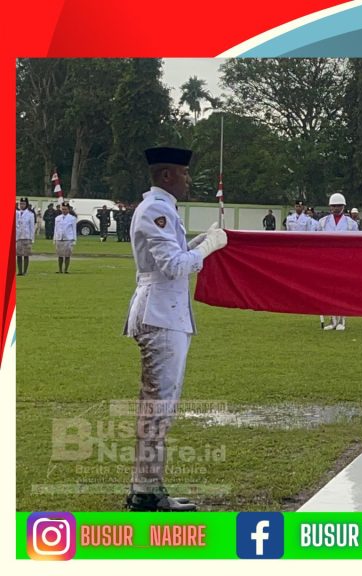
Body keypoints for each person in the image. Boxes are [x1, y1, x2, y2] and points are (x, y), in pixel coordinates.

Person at [125, 146, 228, 511]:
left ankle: (147, 486)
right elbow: (172, 266)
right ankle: (146, 493)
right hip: (160, 314)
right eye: (183, 174)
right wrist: (208, 248)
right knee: (158, 406)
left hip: (165, 313)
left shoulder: (163, 209)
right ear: (167, 175)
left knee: (157, 406)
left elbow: (176, 253)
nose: (188, 179)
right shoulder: (156, 210)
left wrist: (200, 243)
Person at [318, 193, 359, 331]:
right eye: (334, 206)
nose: (336, 208)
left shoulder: (351, 224)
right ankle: (333, 320)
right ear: (330, 206)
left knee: (342, 290)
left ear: (343, 206)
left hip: (344, 260)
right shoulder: (322, 222)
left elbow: (355, 244)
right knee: (329, 290)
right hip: (327, 260)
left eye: (339, 206)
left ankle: (342, 320)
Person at [53, 202, 77, 273]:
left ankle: (66, 270)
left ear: (68, 209)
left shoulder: (72, 218)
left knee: (67, 255)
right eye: (63, 209)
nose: (64, 211)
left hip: (68, 239)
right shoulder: (57, 218)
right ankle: (60, 270)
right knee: (60, 255)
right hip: (59, 238)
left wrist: (74, 240)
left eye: (65, 209)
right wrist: (54, 239)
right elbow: (56, 229)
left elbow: (74, 229)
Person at [15, 197, 36, 276]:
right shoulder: (16, 213)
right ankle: (19, 271)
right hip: (18, 237)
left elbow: (32, 227)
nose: (22, 205)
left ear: (26, 204)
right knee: (19, 255)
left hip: (27, 236)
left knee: (26, 255)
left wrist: (32, 239)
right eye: (20, 204)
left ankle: (25, 271)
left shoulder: (30, 214)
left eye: (23, 204)